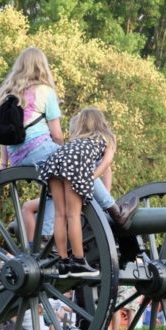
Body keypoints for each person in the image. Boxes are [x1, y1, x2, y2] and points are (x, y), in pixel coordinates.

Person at [0, 47, 138, 236]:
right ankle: (115, 211)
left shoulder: (7, 94)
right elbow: (57, 135)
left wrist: (3, 162)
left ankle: (45, 236)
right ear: (42, 67)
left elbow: (2, 134)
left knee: (54, 189)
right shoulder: (44, 91)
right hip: (40, 148)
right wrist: (65, 154)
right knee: (77, 163)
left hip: (17, 156)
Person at [39, 107, 120, 276]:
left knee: (60, 214)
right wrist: (90, 178)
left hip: (56, 160)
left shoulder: (77, 140)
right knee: (73, 215)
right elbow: (106, 164)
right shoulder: (106, 138)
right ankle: (78, 261)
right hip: (75, 163)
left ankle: (63, 262)